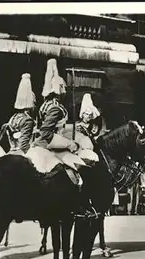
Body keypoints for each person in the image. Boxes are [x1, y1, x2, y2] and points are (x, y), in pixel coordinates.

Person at [28, 58, 98, 218]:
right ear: (60, 89)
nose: (66, 90)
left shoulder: (44, 105)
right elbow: (47, 132)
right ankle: (79, 206)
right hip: (50, 147)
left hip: (44, 145)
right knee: (80, 169)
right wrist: (70, 144)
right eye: (64, 87)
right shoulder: (56, 108)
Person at [5, 73, 37, 154]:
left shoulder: (14, 117)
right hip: (22, 154)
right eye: (34, 103)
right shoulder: (27, 120)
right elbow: (24, 145)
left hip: (11, 151)